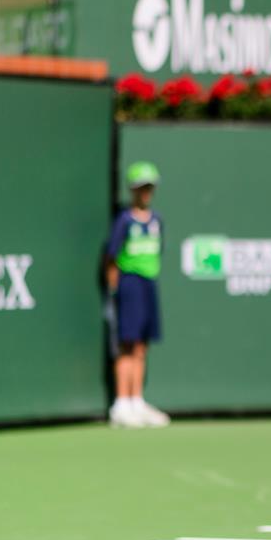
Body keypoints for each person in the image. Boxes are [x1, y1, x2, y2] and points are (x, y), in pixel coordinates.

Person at [105, 162, 170, 429]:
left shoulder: (157, 221)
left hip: (148, 284)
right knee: (127, 344)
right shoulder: (124, 221)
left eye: (149, 188)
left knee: (142, 345)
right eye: (141, 188)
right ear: (133, 190)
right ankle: (121, 403)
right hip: (129, 284)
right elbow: (111, 257)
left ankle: (136, 400)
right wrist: (115, 289)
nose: (146, 193)